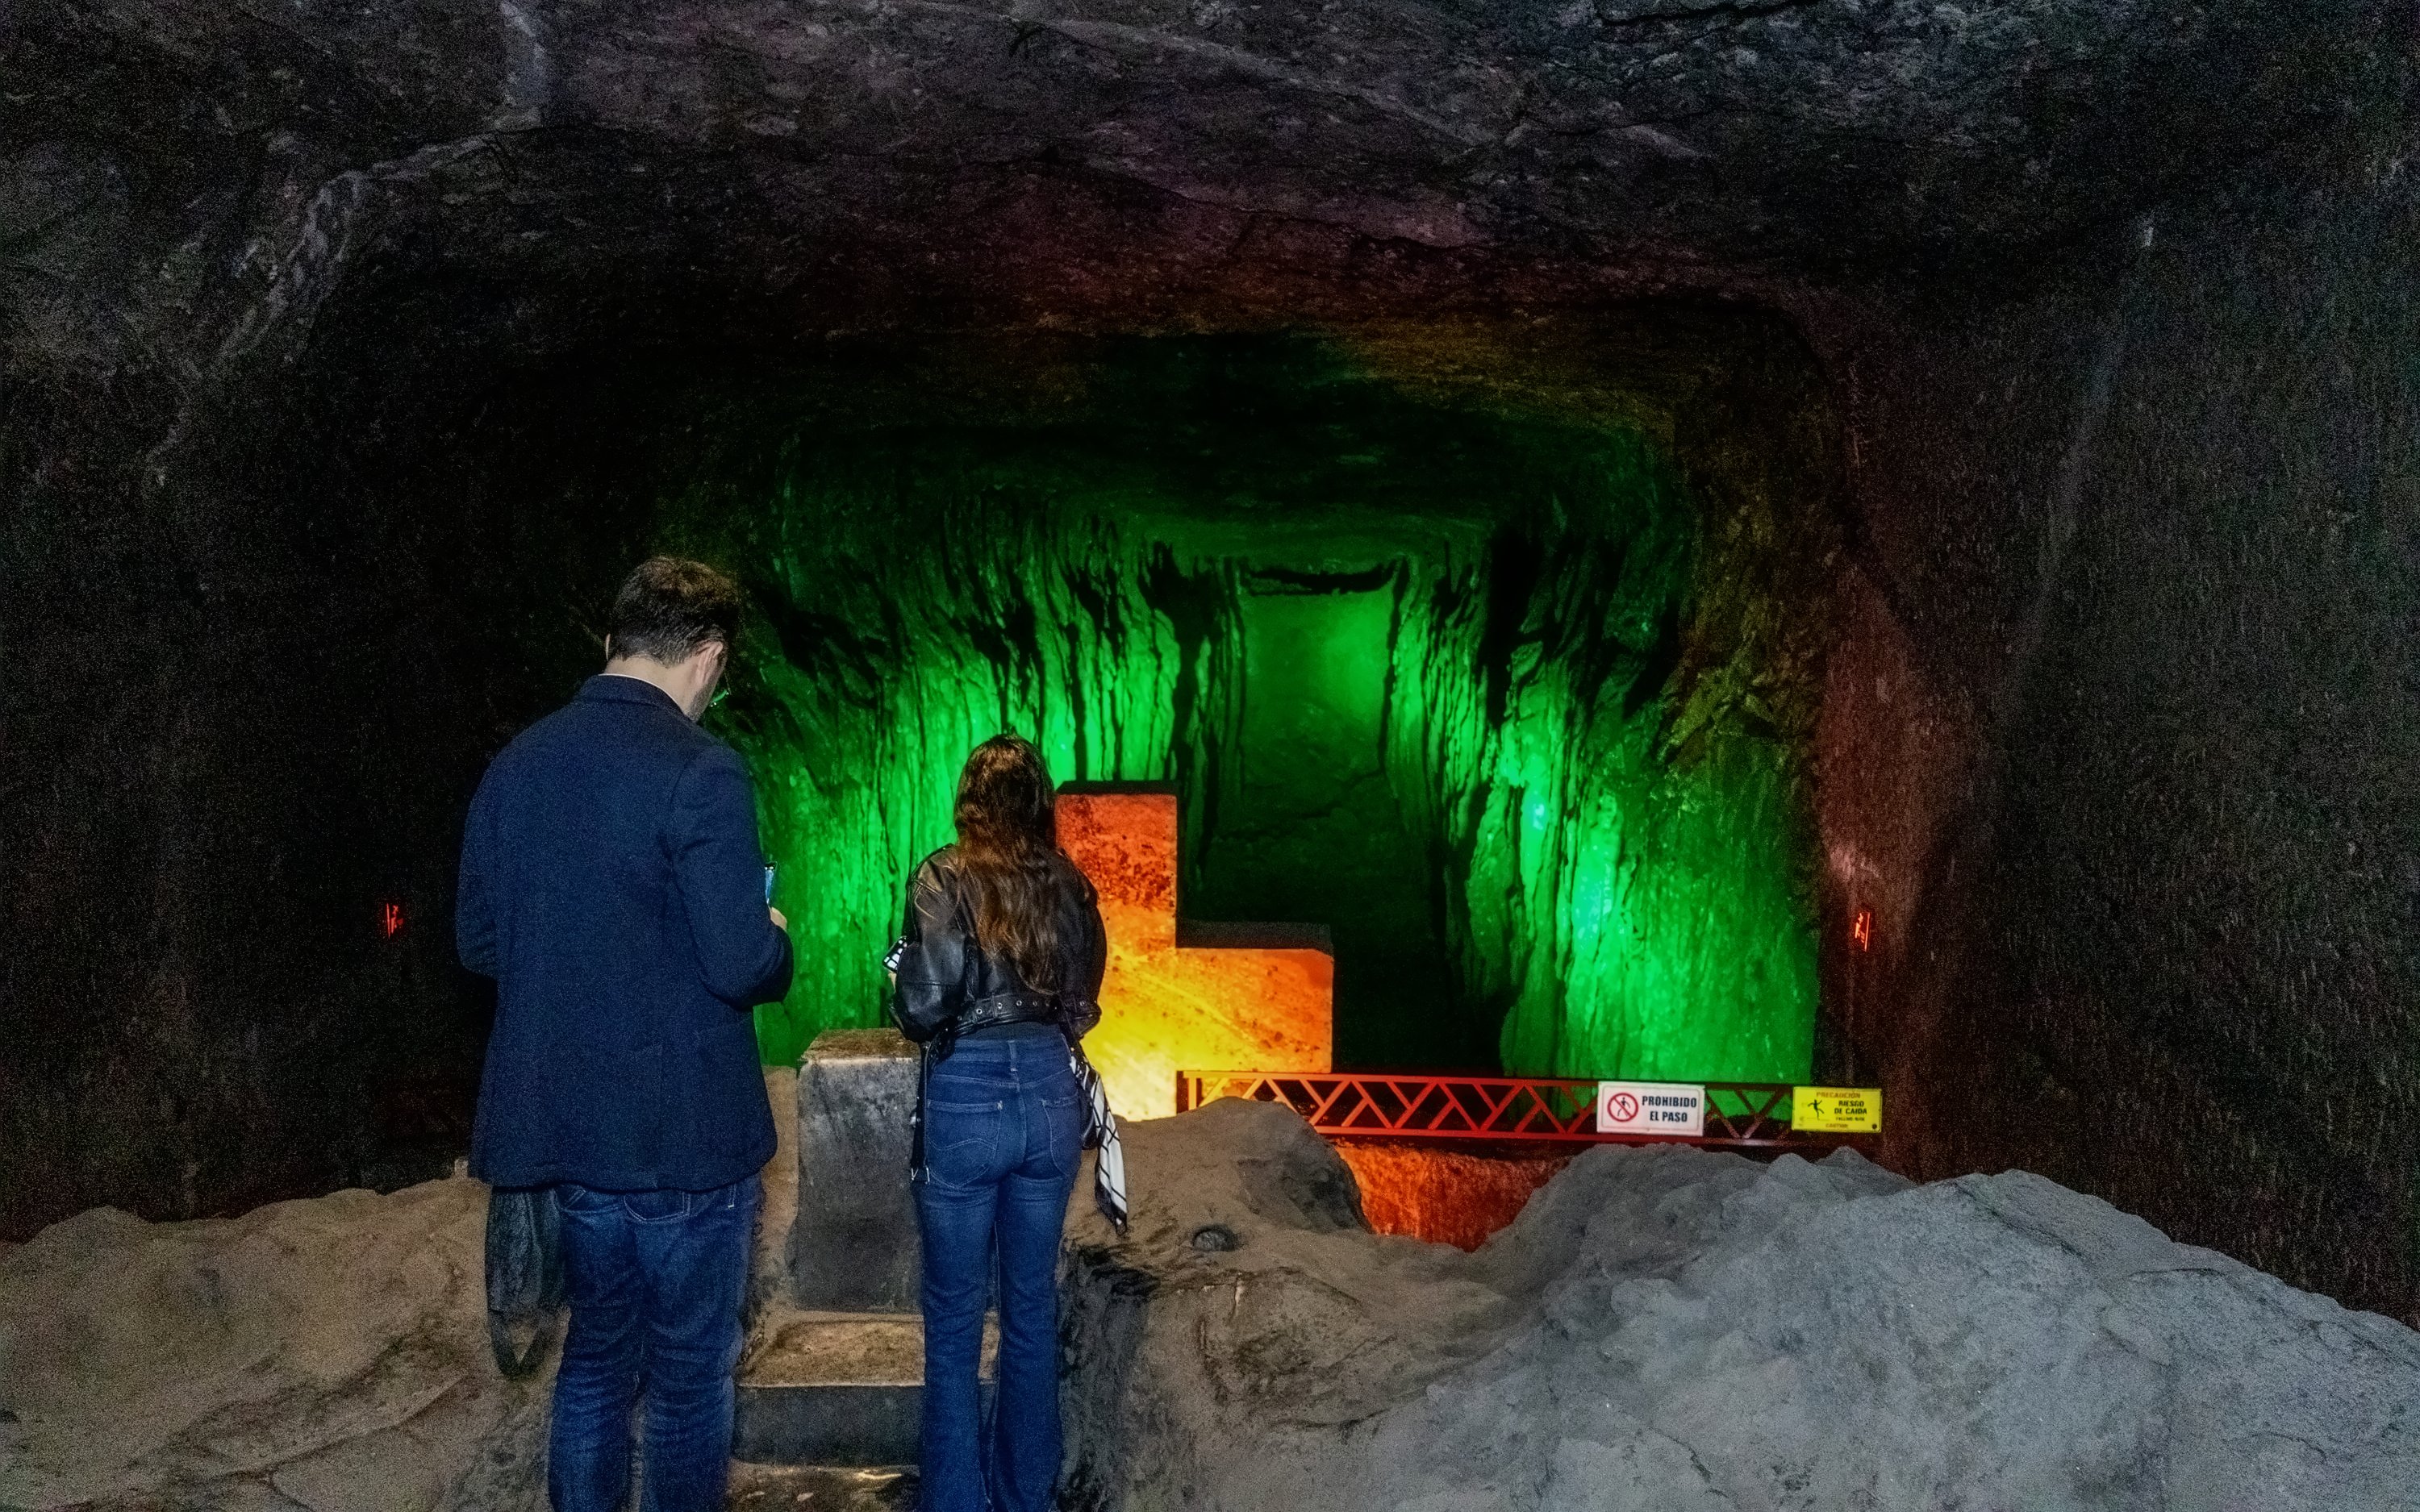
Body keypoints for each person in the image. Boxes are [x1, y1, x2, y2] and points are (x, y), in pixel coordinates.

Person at [457, 557, 793, 1512]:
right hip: (682, 1140)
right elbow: (737, 964)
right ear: (710, 660)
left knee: (596, 1359)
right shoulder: (702, 770)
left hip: (566, 1135)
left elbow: (480, 940)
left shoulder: (516, 764)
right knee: (689, 1376)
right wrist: (776, 940)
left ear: (613, 644)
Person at [890, 735, 1108, 1512]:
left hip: (967, 1093)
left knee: (953, 1319)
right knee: (1028, 1307)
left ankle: (954, 1499)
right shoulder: (1070, 885)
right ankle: (1027, 1495)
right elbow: (1084, 1003)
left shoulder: (943, 876)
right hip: (1049, 1092)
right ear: (1040, 803)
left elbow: (924, 1005)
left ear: (969, 802)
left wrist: (899, 972)